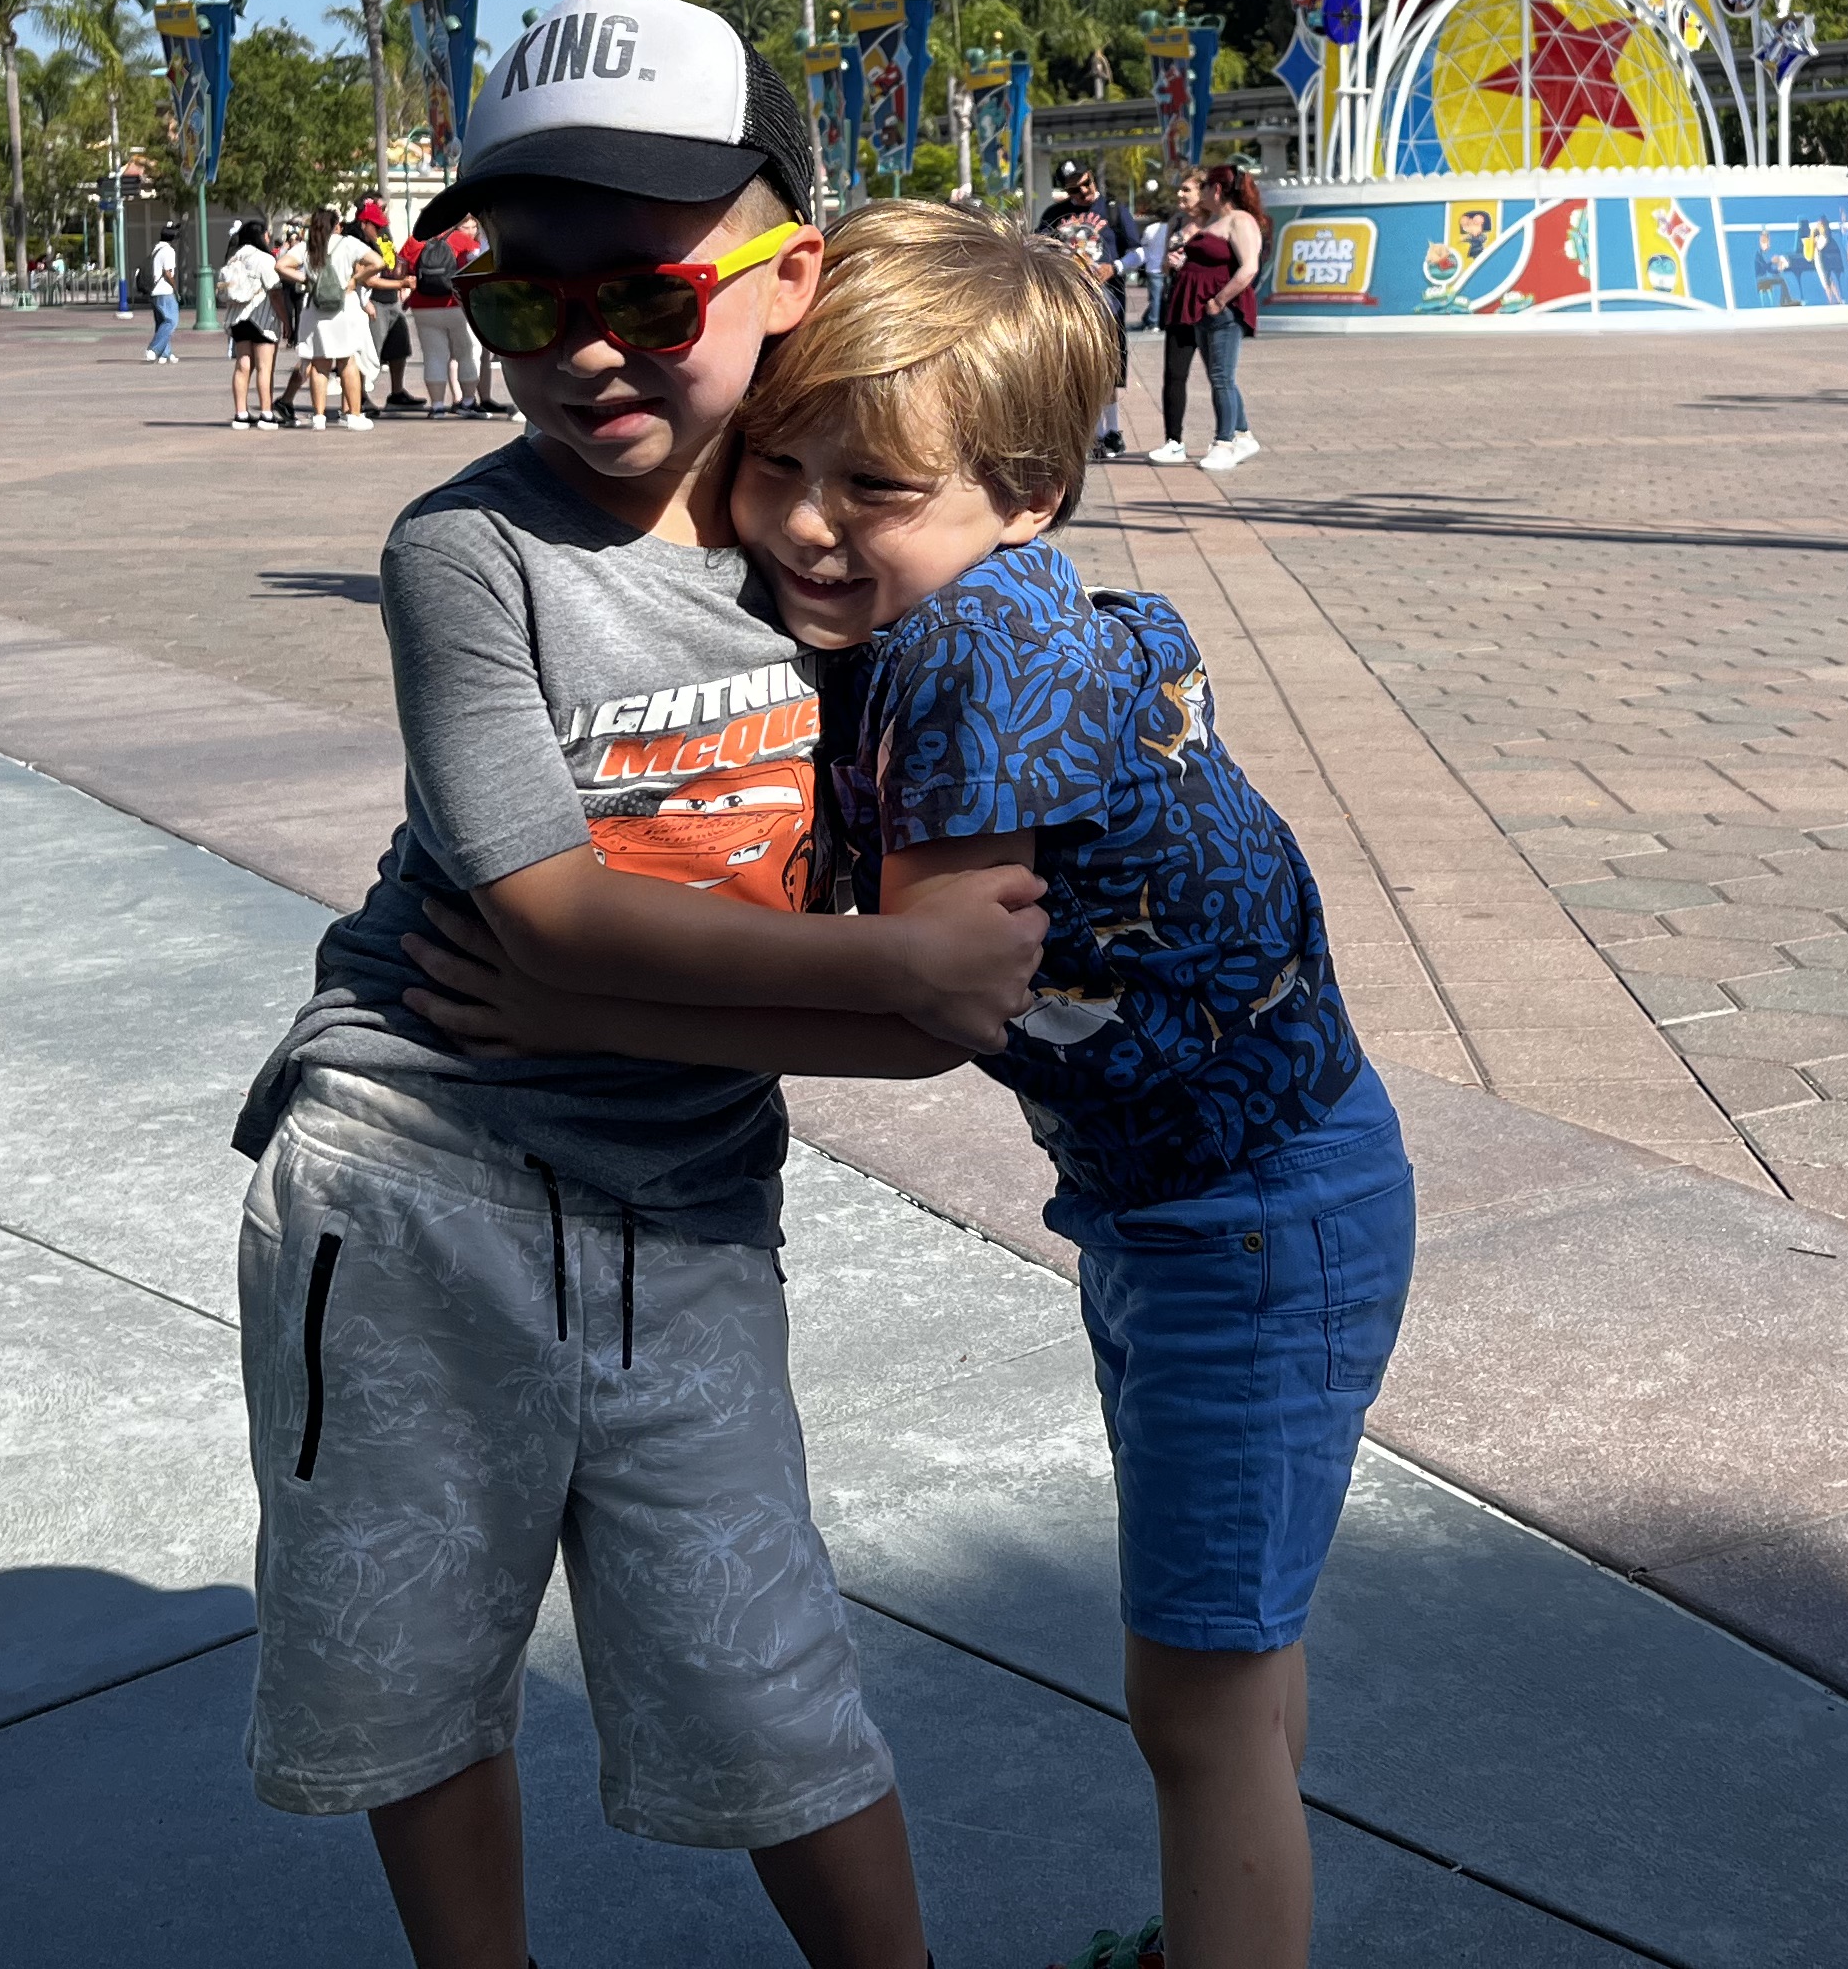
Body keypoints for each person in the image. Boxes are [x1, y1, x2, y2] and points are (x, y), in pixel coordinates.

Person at [428, 201, 1414, 1969]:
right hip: (1196, 1195)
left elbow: (928, 1004)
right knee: (1233, 1652)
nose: (807, 521)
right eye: (779, 460)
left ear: (1027, 494)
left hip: (1254, 1219)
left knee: (1193, 1696)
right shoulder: (933, 613)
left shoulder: (976, 656)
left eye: (872, 488)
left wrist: (567, 997)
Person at [224, 0, 1039, 1969]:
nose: (587, 347)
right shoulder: (467, 552)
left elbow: (943, 1023)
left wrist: (853, 985)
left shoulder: (853, 560)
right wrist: (877, 961)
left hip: (686, 1200)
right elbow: (546, 920)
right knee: (410, 1646)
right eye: (523, 295)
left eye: (653, 297)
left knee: (760, 1660)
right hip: (413, 1171)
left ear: (790, 277)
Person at [1150, 161, 1265, 470]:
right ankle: (1243, 434)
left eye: (1204, 188)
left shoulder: (1240, 220)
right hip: (1201, 310)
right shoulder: (1216, 221)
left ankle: (1224, 442)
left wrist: (1220, 300)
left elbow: (1249, 267)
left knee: (1221, 377)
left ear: (1216, 189)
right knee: (1219, 376)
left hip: (1223, 311)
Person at [1036, 159, 1143, 459]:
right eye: (1075, 189)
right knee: (1080, 369)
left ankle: (1112, 432)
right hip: (1069, 304)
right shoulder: (1054, 215)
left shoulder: (1113, 209)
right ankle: (1092, 435)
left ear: (1092, 177)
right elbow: (1036, 249)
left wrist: (1114, 267)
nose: (1083, 192)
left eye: (1086, 183)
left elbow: (1138, 252)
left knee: (1107, 368)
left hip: (1107, 302)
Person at [294, 202, 380, 430]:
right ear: (336, 225)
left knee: (319, 364)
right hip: (343, 309)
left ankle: (319, 417)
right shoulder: (348, 243)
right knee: (347, 361)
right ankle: (354, 415)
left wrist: (305, 280)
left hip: (316, 309)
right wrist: (355, 279)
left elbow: (282, 265)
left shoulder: (308, 246)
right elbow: (378, 262)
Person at [387, 214, 481, 414]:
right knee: (466, 354)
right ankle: (468, 401)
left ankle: (437, 405)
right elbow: (477, 263)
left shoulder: (414, 241)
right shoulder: (461, 239)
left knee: (433, 356)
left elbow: (398, 272)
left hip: (423, 307)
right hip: (457, 304)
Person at [217, 218, 282, 432]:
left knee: (242, 366)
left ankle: (241, 414)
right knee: (264, 367)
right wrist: (285, 319)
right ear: (261, 235)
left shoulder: (233, 257)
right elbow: (274, 292)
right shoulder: (265, 259)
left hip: (237, 319)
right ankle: (266, 413)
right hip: (261, 319)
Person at [146, 227, 180, 364]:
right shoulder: (168, 251)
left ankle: (165, 353)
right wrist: (175, 286)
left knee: (161, 323)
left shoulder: (156, 249)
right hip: (165, 291)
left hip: (154, 291)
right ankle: (154, 349)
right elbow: (168, 272)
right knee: (171, 321)